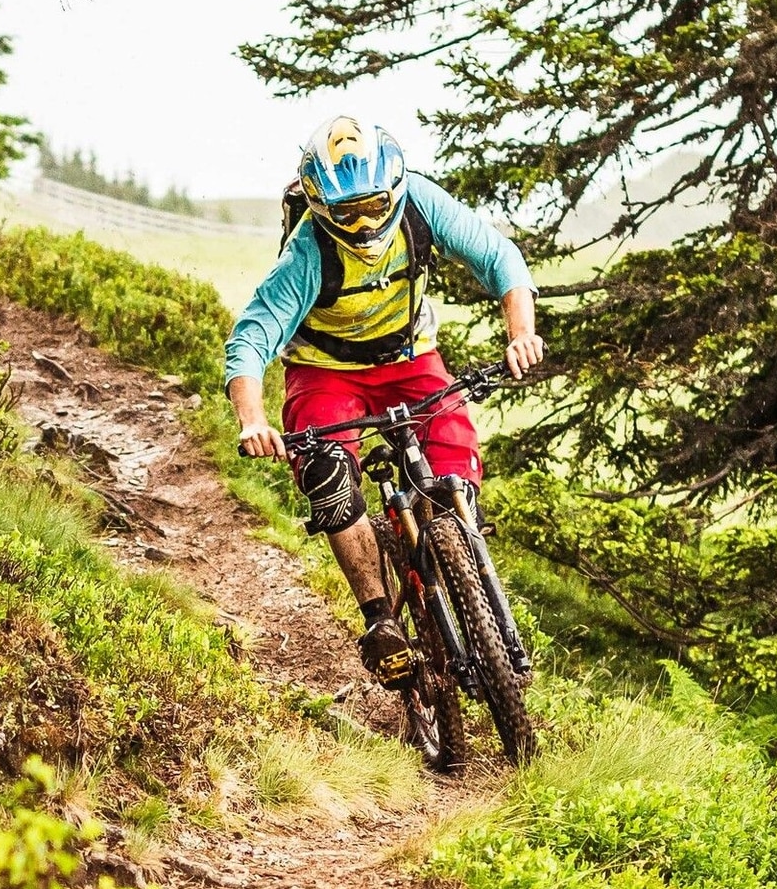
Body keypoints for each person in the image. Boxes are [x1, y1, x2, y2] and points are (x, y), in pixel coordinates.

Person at [224, 113, 542, 682]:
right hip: (326, 372)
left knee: (453, 463)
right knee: (327, 475)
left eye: (374, 205)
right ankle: (380, 619)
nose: (366, 223)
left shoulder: (420, 202)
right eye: (348, 212)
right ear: (322, 209)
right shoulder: (308, 253)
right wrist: (252, 420)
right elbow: (251, 339)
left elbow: (499, 257)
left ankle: (462, 568)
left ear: (394, 188)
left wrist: (521, 333)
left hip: (410, 358)